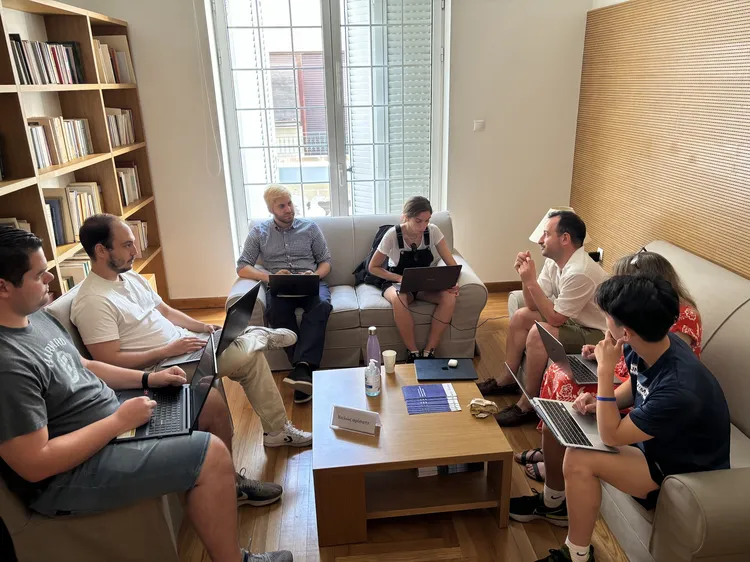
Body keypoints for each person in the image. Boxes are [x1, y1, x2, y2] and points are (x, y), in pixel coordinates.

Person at [0, 226, 292, 562]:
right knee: (209, 453)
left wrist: (147, 381)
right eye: (38, 274)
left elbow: (84, 365)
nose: (50, 277)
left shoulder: (36, 318)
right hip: (70, 474)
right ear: (4, 287)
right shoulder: (8, 364)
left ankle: (231, 485)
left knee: (207, 403)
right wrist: (117, 422)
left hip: (110, 419)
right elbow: (35, 464)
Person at [510, 274, 730, 562]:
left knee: (580, 459)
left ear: (625, 332)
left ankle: (576, 556)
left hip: (679, 468)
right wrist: (602, 400)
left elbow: (612, 434)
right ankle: (553, 504)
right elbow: (636, 385)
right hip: (654, 441)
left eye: (606, 319)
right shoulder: (656, 343)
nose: (604, 325)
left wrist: (604, 371)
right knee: (559, 418)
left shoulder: (679, 388)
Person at [70, 214, 312, 454]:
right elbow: (109, 360)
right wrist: (167, 350)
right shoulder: (93, 301)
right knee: (247, 353)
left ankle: (277, 431)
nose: (136, 250)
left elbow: (164, 310)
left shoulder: (129, 276)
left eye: (133, 242)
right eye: (127, 245)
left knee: (250, 358)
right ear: (101, 250)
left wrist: (201, 326)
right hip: (161, 368)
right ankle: (258, 336)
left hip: (183, 349)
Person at [516, 251, 703, 482]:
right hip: (630, 378)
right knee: (559, 371)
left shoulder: (672, 328)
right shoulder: (641, 335)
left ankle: (557, 464)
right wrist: (601, 352)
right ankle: (553, 450)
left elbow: (650, 374)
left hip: (641, 397)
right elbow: (634, 358)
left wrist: (606, 370)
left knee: (570, 385)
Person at [478, 211, 609, 426]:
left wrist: (531, 281)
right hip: (573, 320)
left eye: (546, 234)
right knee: (522, 316)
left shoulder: (580, 271)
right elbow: (531, 305)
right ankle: (508, 379)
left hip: (595, 333)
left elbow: (555, 319)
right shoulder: (554, 262)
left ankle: (527, 405)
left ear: (564, 239)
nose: (540, 240)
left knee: (540, 332)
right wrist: (525, 278)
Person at [236, 185, 333, 404]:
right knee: (275, 312)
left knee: (322, 306)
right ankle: (304, 369)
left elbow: (326, 261)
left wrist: (315, 275)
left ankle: (301, 370)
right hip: (280, 285)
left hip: (311, 282)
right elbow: (242, 267)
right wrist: (270, 277)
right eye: (282, 206)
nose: (289, 209)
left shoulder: (310, 228)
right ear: (271, 209)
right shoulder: (259, 232)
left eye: (290, 203)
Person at [367, 196, 459, 361]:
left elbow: (451, 264)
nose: (423, 226)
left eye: (427, 220)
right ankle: (413, 352)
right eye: (418, 221)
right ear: (405, 217)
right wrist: (399, 278)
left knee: (449, 297)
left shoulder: (433, 231)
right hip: (396, 282)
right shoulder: (392, 235)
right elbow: (373, 267)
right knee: (399, 297)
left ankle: (429, 350)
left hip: (424, 283)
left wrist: (452, 283)